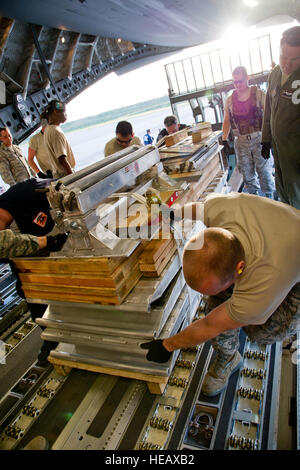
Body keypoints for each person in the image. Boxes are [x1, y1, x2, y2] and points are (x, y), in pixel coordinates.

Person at [141, 192, 300, 396]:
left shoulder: (263, 281)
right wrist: (171, 213)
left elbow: (210, 324)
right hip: (279, 240)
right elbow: (198, 209)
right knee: (218, 306)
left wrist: (167, 346)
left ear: (240, 269)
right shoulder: (220, 208)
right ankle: (229, 357)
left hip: (293, 264)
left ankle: (234, 350)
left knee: (261, 332)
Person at [0, 178, 69, 366]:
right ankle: (52, 337)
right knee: (28, 290)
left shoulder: (26, 196)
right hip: (28, 250)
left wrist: (47, 241)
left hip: (42, 220)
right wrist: (44, 242)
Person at [261, 26, 300, 210]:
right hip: (279, 151)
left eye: (295, 59)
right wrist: (265, 139)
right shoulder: (275, 74)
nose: (287, 64)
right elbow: (268, 110)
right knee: (284, 196)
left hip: (296, 152)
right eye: (284, 57)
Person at [222, 66, 275, 198]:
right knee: (246, 174)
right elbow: (227, 120)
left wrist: (269, 138)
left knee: (265, 172)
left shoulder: (258, 94)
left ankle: (271, 201)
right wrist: (224, 139)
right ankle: (254, 200)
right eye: (235, 82)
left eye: (240, 81)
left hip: (259, 140)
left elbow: (270, 115)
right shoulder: (230, 100)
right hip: (241, 142)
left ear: (247, 78)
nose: (238, 85)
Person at [43, 100, 76, 178]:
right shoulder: (55, 131)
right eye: (63, 112)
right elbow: (62, 159)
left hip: (59, 174)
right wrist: (73, 177)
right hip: (65, 174)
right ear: (55, 112)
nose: (65, 114)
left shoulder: (48, 129)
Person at [28, 114, 53, 179]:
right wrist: (39, 173)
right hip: (51, 174)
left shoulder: (55, 135)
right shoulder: (34, 139)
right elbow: (30, 159)